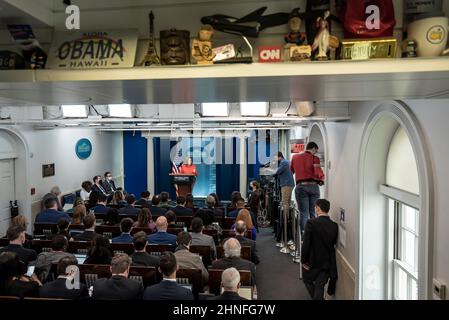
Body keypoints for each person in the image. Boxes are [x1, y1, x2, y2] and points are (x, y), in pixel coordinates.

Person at [301, 199, 338, 300]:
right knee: (320, 285)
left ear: (318, 209)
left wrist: (303, 260)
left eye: (315, 208)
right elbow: (333, 243)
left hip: (312, 261)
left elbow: (306, 244)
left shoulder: (311, 223)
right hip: (327, 262)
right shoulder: (334, 226)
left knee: (307, 280)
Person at [290, 142, 323, 234]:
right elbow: (318, 172)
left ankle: (304, 237)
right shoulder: (315, 158)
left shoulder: (295, 157)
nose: (315, 153)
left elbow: (291, 170)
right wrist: (321, 179)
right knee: (314, 212)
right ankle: (314, 235)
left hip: (301, 186)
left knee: (303, 213)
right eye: (315, 151)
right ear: (313, 148)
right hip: (313, 187)